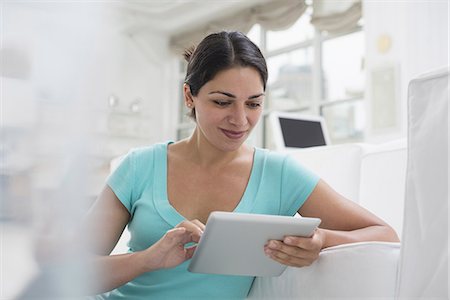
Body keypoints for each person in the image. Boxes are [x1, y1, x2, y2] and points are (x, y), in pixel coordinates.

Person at [83, 31, 399, 299]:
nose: (240, 119)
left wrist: (321, 240)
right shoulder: (140, 166)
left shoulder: (279, 174)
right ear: (189, 96)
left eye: (254, 104)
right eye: (222, 102)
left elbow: (385, 234)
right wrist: (147, 259)